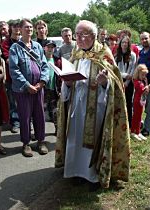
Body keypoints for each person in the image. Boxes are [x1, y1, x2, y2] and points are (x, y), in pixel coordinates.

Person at [55, 20, 130, 188]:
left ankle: (93, 175)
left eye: (83, 35)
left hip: (97, 106)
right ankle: (75, 171)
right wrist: (66, 84)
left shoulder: (104, 54)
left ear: (94, 36)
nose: (79, 39)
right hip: (76, 104)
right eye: (77, 35)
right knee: (74, 137)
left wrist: (104, 82)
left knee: (93, 140)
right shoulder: (76, 52)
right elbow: (68, 76)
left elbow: (115, 86)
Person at [9, 18, 49, 157]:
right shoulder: (15, 48)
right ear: (20, 29)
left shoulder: (37, 46)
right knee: (25, 117)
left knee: (40, 115)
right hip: (23, 89)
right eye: (26, 27)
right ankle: (26, 143)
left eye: (31, 27)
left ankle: (41, 141)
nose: (29, 29)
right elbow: (14, 69)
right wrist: (27, 85)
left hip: (38, 88)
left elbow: (44, 65)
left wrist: (42, 82)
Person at [1, 21, 21, 133]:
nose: (17, 29)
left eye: (19, 26)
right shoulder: (6, 43)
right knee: (13, 102)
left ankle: (27, 122)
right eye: (15, 27)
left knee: (25, 101)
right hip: (11, 77)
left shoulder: (24, 41)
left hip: (25, 76)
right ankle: (15, 123)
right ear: (11, 28)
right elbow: (7, 58)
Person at [115, 36, 137, 127]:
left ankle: (129, 124)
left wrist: (127, 83)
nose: (124, 44)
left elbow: (133, 69)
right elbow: (115, 69)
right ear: (120, 44)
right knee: (118, 102)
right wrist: (124, 76)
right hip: (119, 79)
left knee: (128, 102)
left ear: (128, 44)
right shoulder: (117, 55)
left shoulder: (132, 55)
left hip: (129, 82)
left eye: (126, 43)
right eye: (122, 42)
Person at [43, 40, 61, 134]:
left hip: (54, 90)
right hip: (43, 90)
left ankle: (57, 130)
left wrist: (61, 88)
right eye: (48, 47)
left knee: (55, 112)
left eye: (52, 47)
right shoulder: (40, 59)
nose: (50, 49)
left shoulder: (57, 60)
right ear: (44, 48)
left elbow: (61, 76)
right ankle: (40, 132)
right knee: (42, 112)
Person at [131, 64, 148, 141]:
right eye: (143, 75)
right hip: (137, 101)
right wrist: (146, 86)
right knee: (136, 116)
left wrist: (146, 84)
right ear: (138, 74)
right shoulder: (137, 82)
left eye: (145, 75)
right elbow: (141, 90)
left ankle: (137, 131)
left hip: (141, 101)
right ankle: (133, 132)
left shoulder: (141, 81)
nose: (144, 76)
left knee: (139, 117)